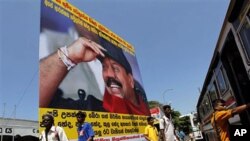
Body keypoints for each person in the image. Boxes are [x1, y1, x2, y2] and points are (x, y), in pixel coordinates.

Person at [39, 35, 150, 115]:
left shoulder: (145, 108)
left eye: (115, 68)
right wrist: (69, 54)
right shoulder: (90, 109)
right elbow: (41, 103)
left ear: (130, 80)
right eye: (104, 67)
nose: (109, 74)